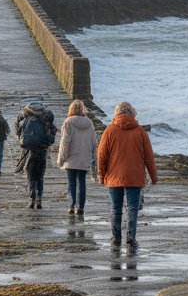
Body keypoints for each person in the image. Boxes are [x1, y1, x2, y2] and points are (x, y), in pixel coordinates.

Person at [97, 101, 157, 245]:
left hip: (114, 176)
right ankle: (130, 238)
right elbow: (149, 156)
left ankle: (116, 237)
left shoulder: (110, 130)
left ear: (117, 113)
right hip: (134, 176)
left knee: (115, 208)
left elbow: (101, 155)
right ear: (132, 113)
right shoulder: (140, 131)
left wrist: (101, 175)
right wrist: (153, 177)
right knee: (132, 209)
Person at [56, 99, 97, 218]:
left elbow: (64, 142)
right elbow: (94, 142)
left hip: (71, 159)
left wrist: (61, 159)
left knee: (71, 183)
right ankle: (81, 207)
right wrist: (94, 158)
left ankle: (71, 205)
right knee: (82, 183)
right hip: (84, 158)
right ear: (83, 109)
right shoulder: (89, 123)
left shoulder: (68, 122)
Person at [15, 99, 56, 209]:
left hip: (28, 149)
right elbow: (51, 133)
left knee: (30, 174)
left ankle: (31, 195)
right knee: (40, 175)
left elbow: (18, 131)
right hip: (42, 149)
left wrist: (22, 139)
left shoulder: (23, 114)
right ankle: (39, 200)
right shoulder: (47, 114)